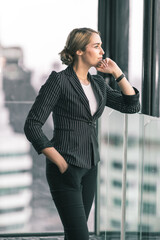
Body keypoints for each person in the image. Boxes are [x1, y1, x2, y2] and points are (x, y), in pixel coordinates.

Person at [24, 27, 140, 240]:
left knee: (75, 235)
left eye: (101, 46)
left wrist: (117, 73)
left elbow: (131, 106)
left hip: (90, 167)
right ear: (79, 50)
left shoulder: (97, 84)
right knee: (80, 236)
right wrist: (59, 162)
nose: (102, 51)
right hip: (65, 167)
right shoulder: (59, 81)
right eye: (96, 46)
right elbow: (32, 124)